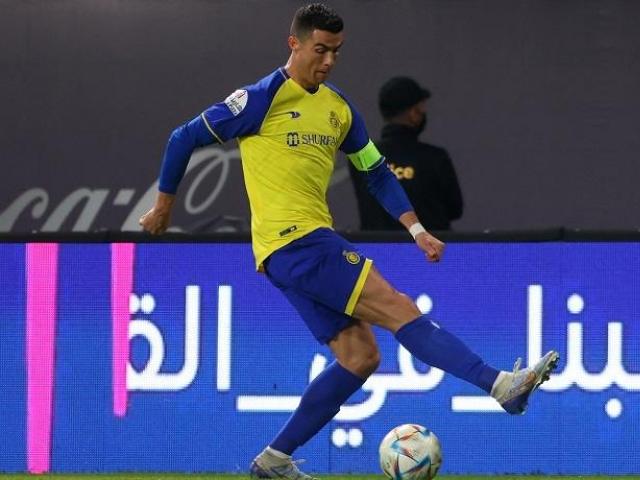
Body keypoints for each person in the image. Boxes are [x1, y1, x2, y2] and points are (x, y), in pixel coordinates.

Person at [139, 4, 559, 479]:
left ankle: (273, 460)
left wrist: (417, 230)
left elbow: (376, 172)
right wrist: (163, 208)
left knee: (360, 357)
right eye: (320, 50)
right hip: (299, 243)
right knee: (397, 306)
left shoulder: (339, 109)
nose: (329, 61)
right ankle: (498, 384)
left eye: (336, 51)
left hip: (286, 255)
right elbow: (182, 137)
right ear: (293, 43)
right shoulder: (259, 99)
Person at [349, 76, 463, 231]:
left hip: (376, 252)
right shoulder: (435, 158)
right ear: (413, 113)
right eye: (421, 108)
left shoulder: (362, 155)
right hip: (426, 253)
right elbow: (455, 210)